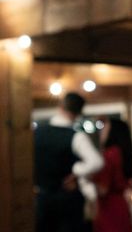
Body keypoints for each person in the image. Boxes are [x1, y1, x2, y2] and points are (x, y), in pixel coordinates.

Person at [34, 92, 104, 232]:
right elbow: (97, 162)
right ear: (79, 112)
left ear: (60, 106)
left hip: (42, 199)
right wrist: (76, 171)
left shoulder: (37, 133)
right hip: (68, 201)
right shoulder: (76, 136)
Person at [93, 118, 132, 232]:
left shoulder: (110, 154)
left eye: (105, 127)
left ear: (113, 131)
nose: (102, 131)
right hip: (122, 207)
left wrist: (85, 181)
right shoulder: (123, 153)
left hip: (109, 208)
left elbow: (103, 189)